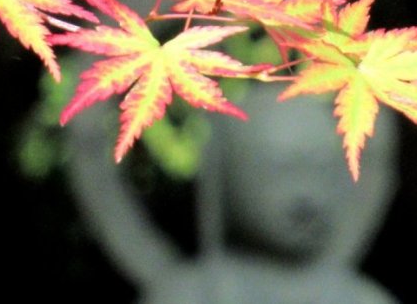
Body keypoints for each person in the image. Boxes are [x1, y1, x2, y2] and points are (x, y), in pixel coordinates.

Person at [66, 81, 399, 303]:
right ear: (226, 179)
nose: (307, 196)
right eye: (281, 170)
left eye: (322, 171)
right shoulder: (188, 295)